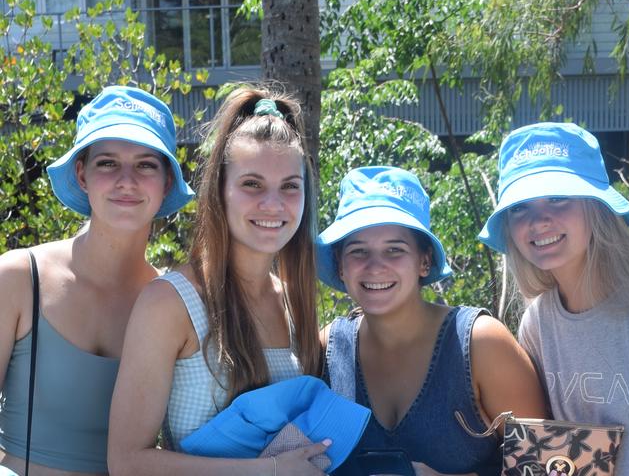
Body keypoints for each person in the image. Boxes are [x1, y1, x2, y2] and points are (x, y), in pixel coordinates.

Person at [107, 86, 328, 475]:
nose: (273, 204)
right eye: (252, 184)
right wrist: (271, 471)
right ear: (220, 192)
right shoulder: (170, 303)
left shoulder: (293, 302)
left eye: (290, 186)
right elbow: (126, 462)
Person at [0, 85, 194, 475]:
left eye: (145, 165)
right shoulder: (19, 277)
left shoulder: (175, 302)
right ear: (81, 174)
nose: (127, 180)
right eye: (107, 163)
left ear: (167, 183)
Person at [318, 166, 548, 476]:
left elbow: (548, 468)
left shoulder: (480, 345)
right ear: (340, 265)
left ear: (424, 261)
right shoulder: (329, 351)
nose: (375, 266)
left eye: (394, 250)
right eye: (358, 251)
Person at [479, 122, 629, 475]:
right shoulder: (537, 323)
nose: (539, 220)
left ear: (596, 207)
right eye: (519, 207)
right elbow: (546, 450)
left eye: (558, 198)